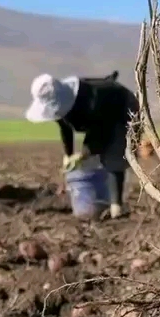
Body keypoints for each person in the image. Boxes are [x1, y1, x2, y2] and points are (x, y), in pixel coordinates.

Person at [26, 71, 138, 218]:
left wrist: (84, 153)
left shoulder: (91, 101)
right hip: (99, 119)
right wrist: (69, 155)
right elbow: (64, 126)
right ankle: (99, 197)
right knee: (92, 161)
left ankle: (116, 206)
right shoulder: (61, 102)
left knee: (114, 154)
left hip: (122, 108)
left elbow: (101, 131)